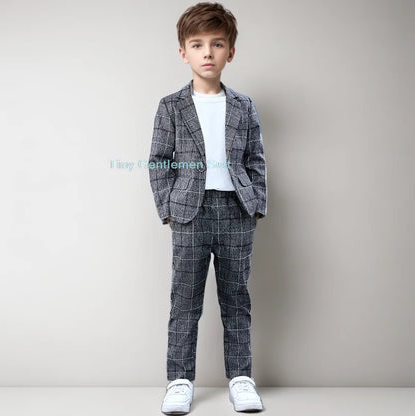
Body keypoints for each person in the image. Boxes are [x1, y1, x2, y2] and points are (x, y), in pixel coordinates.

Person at [148, 2, 267, 414]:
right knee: (185, 301)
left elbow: (255, 159)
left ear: (230, 51)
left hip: (236, 212)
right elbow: (159, 160)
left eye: (217, 44)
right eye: (197, 45)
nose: (207, 53)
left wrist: (255, 205)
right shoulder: (171, 106)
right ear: (183, 52)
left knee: (236, 299)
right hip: (189, 214)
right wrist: (168, 208)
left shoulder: (244, 106)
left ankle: (241, 379)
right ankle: (179, 381)